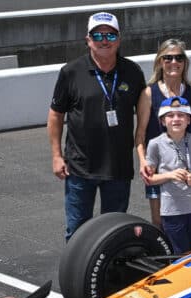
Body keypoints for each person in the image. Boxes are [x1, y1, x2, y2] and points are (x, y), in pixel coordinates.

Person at [48, 12, 145, 241]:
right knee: (77, 233)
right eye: (98, 35)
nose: (104, 41)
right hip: (80, 167)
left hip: (118, 168)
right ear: (88, 39)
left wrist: (145, 155)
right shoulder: (71, 72)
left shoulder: (132, 72)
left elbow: (144, 114)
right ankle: (73, 276)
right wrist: (56, 155)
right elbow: (55, 114)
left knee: (113, 233)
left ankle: (108, 275)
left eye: (111, 36)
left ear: (119, 40)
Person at [135, 39, 191, 230]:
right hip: (160, 169)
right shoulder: (149, 93)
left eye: (179, 58)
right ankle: (166, 261)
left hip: (188, 170)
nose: (174, 62)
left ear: (185, 62)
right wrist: (143, 162)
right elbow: (140, 134)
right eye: (168, 58)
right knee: (160, 221)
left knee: (190, 220)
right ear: (160, 62)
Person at [145, 97, 191, 253]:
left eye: (181, 115)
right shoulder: (155, 144)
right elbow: (149, 179)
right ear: (162, 121)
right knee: (178, 255)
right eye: (170, 115)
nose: (176, 119)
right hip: (171, 211)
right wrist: (170, 175)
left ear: (189, 120)